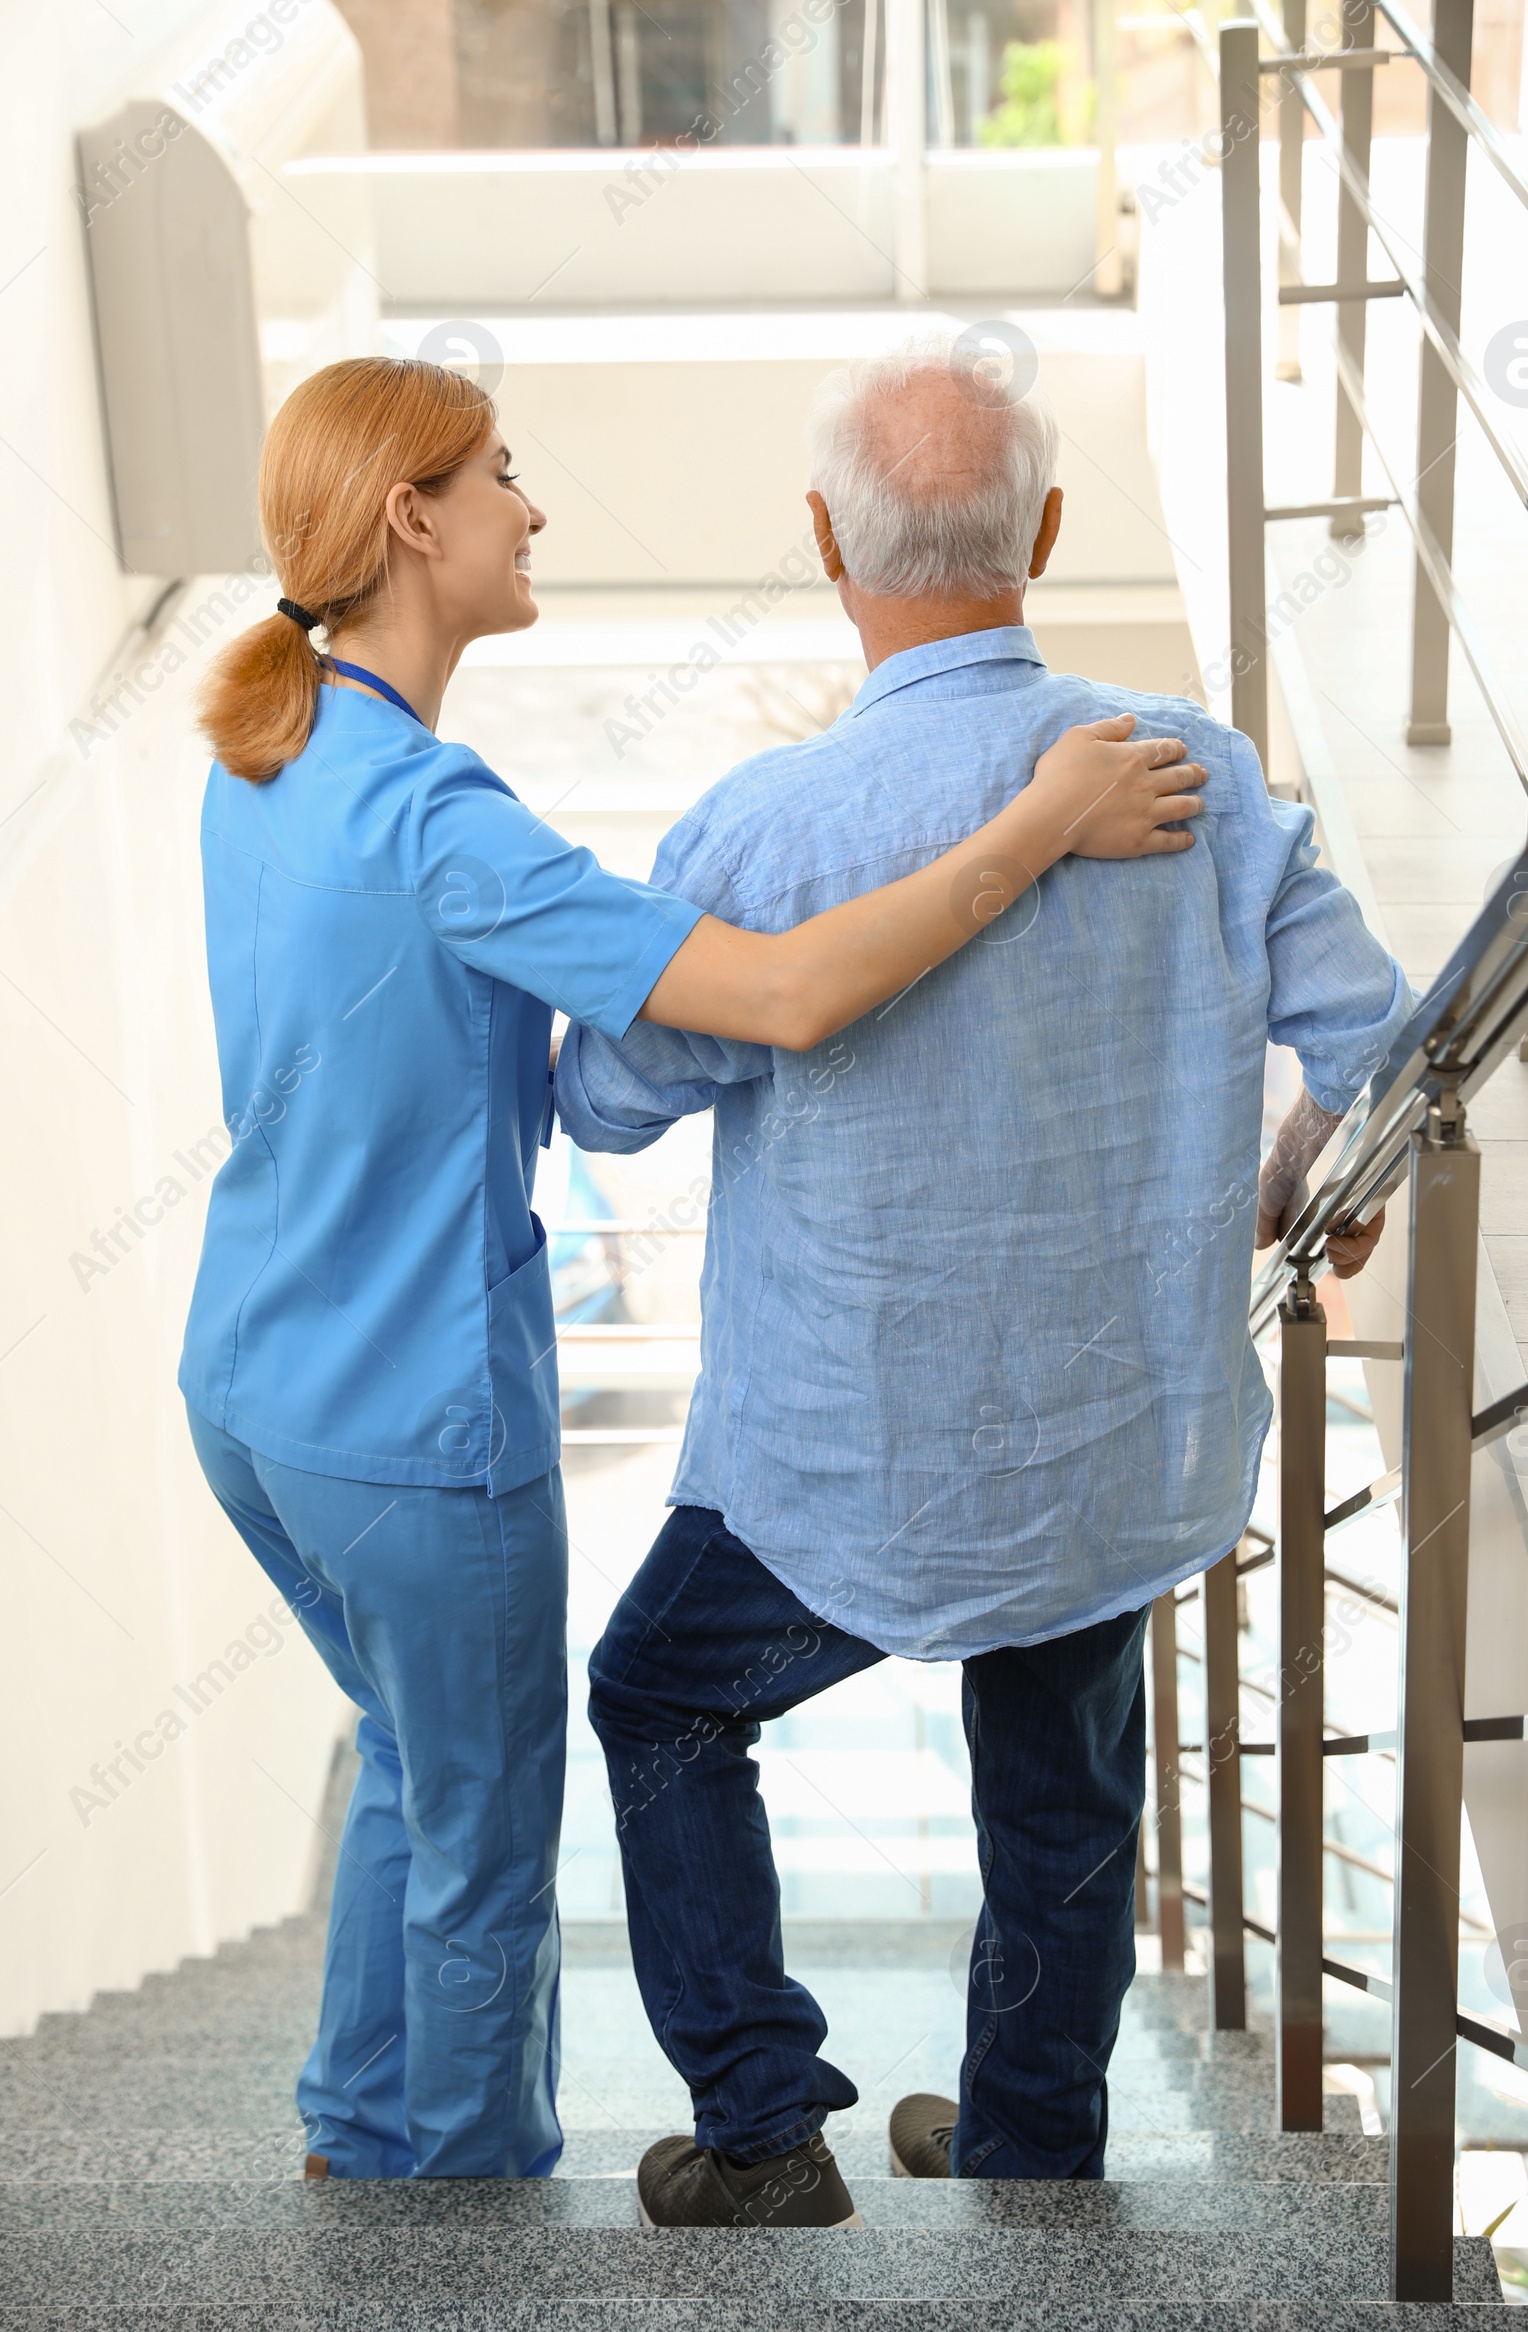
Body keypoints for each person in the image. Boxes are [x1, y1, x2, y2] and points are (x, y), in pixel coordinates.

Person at [176, 354, 1207, 2182]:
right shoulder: (437, 820)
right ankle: (457, 2202)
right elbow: (792, 995)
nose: (534, 504)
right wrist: (1040, 826)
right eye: (502, 473)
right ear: (412, 518)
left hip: (254, 1386)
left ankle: (356, 2134)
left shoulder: (273, 753)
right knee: (489, 1838)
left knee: (412, 1764)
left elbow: (614, 1082)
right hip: (416, 1421)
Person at [557, 338, 1412, 2228]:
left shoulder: (764, 830)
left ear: (821, 542)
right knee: (1060, 1790)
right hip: (1111, 1446)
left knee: (660, 1705)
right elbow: (1378, 1042)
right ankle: (1032, 2141)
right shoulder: (1194, 776)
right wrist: (1305, 1179)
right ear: (1041, 527)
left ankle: (766, 2128)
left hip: (837, 1475)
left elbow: (609, 1102)